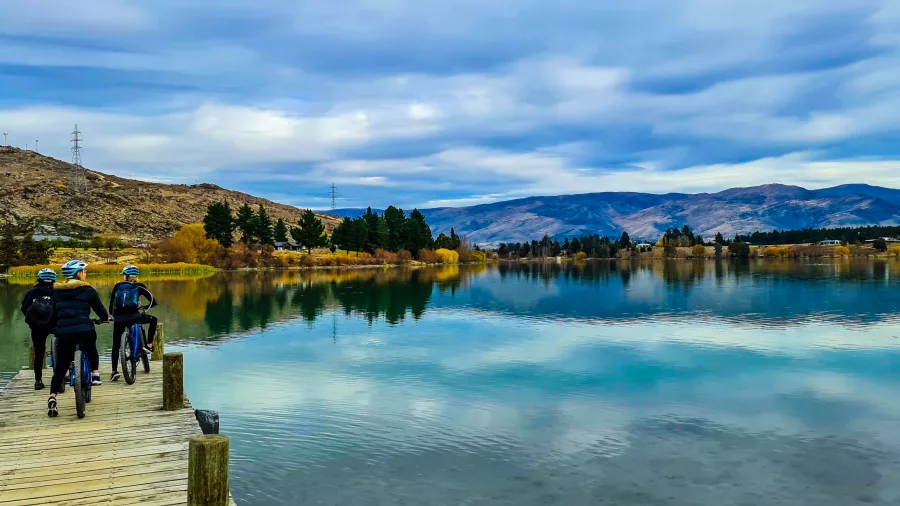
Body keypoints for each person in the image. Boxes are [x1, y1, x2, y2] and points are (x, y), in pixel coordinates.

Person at [47, 260, 109, 417]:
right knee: (91, 347)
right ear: (78, 274)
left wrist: (54, 327)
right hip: (85, 330)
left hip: (65, 333)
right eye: (84, 271)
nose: (85, 274)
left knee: (61, 367)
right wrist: (103, 318)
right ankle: (95, 374)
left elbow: (52, 316)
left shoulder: (56, 292)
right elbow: (101, 311)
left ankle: (53, 397)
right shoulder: (88, 290)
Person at [108, 265, 158, 382]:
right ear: (136, 276)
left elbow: (111, 303)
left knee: (116, 345)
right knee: (153, 319)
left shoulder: (118, 286)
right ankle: (149, 345)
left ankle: (114, 371)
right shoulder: (139, 286)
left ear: (124, 276)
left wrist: (112, 315)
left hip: (119, 318)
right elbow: (153, 301)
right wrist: (145, 307)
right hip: (135, 317)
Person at [20, 268, 57, 390]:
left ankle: (38, 380)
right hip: (55, 324)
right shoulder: (58, 291)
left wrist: (32, 319)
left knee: (39, 352)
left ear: (39, 278)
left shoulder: (33, 291)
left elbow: (24, 308)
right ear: (53, 279)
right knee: (64, 348)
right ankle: (64, 374)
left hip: (37, 326)